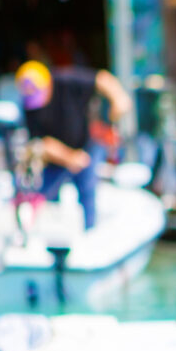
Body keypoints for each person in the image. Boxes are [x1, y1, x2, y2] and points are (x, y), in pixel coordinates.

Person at [15, 61, 131, 230]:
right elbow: (42, 143)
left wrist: (119, 99)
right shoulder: (30, 107)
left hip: (85, 147)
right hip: (57, 159)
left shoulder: (67, 81)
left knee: (88, 192)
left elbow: (103, 79)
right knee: (45, 197)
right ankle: (49, 235)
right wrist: (70, 157)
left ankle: (90, 232)